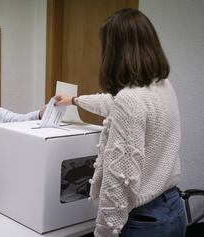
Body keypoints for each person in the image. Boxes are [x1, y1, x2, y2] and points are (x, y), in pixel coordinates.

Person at [54, 8, 185, 237]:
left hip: (144, 221)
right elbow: (111, 102)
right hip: (174, 210)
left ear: (115, 51)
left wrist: (103, 232)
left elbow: (118, 184)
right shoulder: (163, 85)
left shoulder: (130, 100)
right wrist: (74, 100)